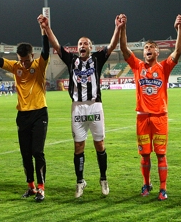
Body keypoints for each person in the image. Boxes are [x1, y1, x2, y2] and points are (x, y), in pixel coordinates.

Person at [42, 15, 123, 197]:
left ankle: (103, 178)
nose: (82, 46)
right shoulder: (71, 60)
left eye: (85, 43)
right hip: (77, 107)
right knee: (78, 146)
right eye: (80, 44)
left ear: (90, 47)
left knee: (99, 144)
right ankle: (80, 182)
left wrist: (117, 28)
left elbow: (112, 45)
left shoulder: (97, 59)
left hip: (95, 106)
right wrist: (47, 28)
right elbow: (56, 46)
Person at [0, 15, 50, 201]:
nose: (24, 63)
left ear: (32, 56)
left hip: (39, 113)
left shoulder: (39, 65)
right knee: (25, 154)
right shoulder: (16, 66)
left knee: (38, 152)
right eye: (21, 60)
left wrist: (43, 30)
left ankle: (41, 187)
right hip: (22, 115)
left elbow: (46, 49)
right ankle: (31, 187)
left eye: (27, 60)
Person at [120, 14, 181, 200]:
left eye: (151, 48)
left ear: (157, 52)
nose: (147, 49)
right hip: (142, 116)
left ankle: (163, 188)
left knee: (161, 155)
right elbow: (124, 48)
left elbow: (178, 50)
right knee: (145, 154)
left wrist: (179, 29)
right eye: (145, 48)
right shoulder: (136, 66)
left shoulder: (164, 67)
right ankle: (146, 184)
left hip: (159, 117)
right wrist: (123, 27)